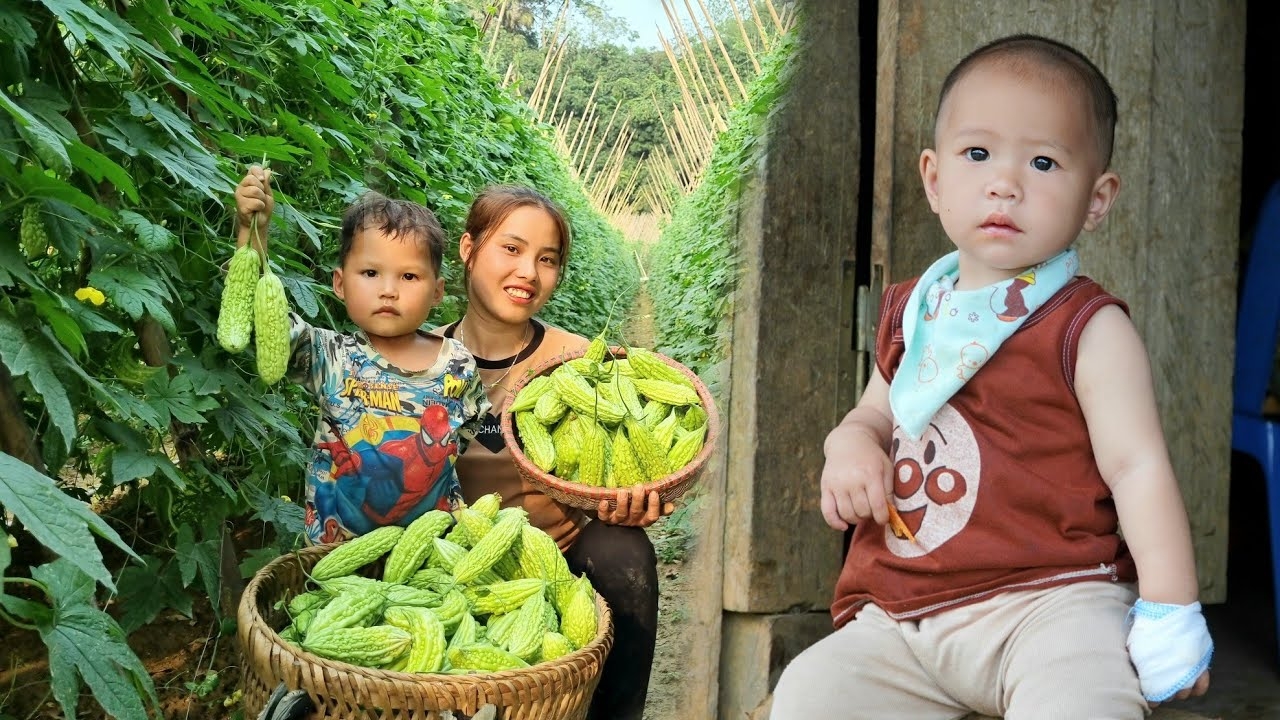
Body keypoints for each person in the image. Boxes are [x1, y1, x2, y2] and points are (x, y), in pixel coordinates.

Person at [770, 34, 1213, 720]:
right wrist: (850, 444)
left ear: (1097, 201)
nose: (1005, 182)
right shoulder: (917, 312)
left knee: (1083, 702)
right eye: (978, 154)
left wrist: (1171, 610)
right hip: (904, 612)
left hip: (1053, 602)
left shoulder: (1087, 329)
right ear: (935, 178)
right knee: (810, 694)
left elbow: (1138, 468)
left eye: (1042, 162)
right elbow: (876, 414)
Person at [433, 185, 673, 720]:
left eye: (547, 260)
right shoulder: (415, 358)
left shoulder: (574, 361)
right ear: (468, 248)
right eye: (511, 249)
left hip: (557, 557)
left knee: (624, 552)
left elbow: (609, 463)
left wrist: (624, 502)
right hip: (442, 558)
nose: (529, 272)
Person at [233, 166, 489, 543]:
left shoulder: (459, 366)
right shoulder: (330, 356)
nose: (388, 290)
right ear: (340, 283)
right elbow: (264, 323)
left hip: (428, 553)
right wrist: (251, 232)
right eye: (370, 273)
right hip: (335, 554)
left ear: (437, 292)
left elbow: (465, 432)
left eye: (408, 277)